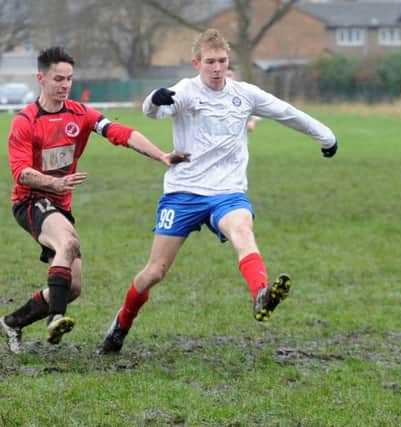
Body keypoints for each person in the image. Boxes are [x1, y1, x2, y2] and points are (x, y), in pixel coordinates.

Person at [100, 28, 337, 354]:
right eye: (210, 61)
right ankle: (121, 324)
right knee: (154, 272)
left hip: (227, 191)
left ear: (229, 62)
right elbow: (154, 111)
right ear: (196, 62)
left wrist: (326, 137)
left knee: (242, 229)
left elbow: (287, 113)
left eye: (222, 61)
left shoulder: (245, 94)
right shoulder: (185, 90)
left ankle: (261, 293)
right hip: (183, 192)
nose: (216, 68)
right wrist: (153, 100)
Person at [0, 46, 190, 354]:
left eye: (69, 79)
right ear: (41, 78)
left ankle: (12, 322)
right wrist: (54, 182)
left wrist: (162, 156)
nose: (64, 85)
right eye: (58, 79)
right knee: (68, 243)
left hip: (60, 205)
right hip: (31, 201)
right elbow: (21, 173)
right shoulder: (25, 121)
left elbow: (122, 133)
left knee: (72, 287)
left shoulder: (80, 113)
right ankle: (56, 319)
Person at [225, 65, 259, 132]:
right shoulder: (212, 93)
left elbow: (257, 106)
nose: (228, 78)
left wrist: (253, 122)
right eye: (225, 76)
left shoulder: (242, 92)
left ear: (234, 76)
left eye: (229, 75)